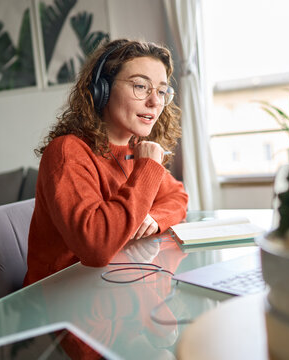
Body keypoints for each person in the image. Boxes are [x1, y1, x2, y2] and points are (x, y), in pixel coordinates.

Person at [23, 39, 189, 286]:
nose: (155, 102)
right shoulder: (67, 152)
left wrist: (153, 218)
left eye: (162, 91)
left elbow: (177, 197)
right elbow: (97, 246)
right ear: (103, 90)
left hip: (114, 286)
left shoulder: (133, 149)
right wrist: (148, 169)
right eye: (141, 86)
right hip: (64, 301)